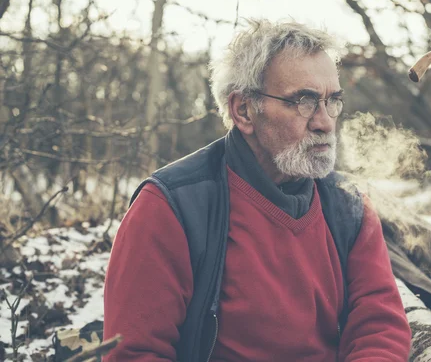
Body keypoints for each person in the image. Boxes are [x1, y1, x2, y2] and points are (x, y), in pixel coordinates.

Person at [103, 19, 411, 361]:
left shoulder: (347, 207)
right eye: (304, 101)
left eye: (332, 101)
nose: (324, 122)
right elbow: (135, 352)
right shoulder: (171, 206)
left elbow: (379, 325)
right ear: (244, 110)